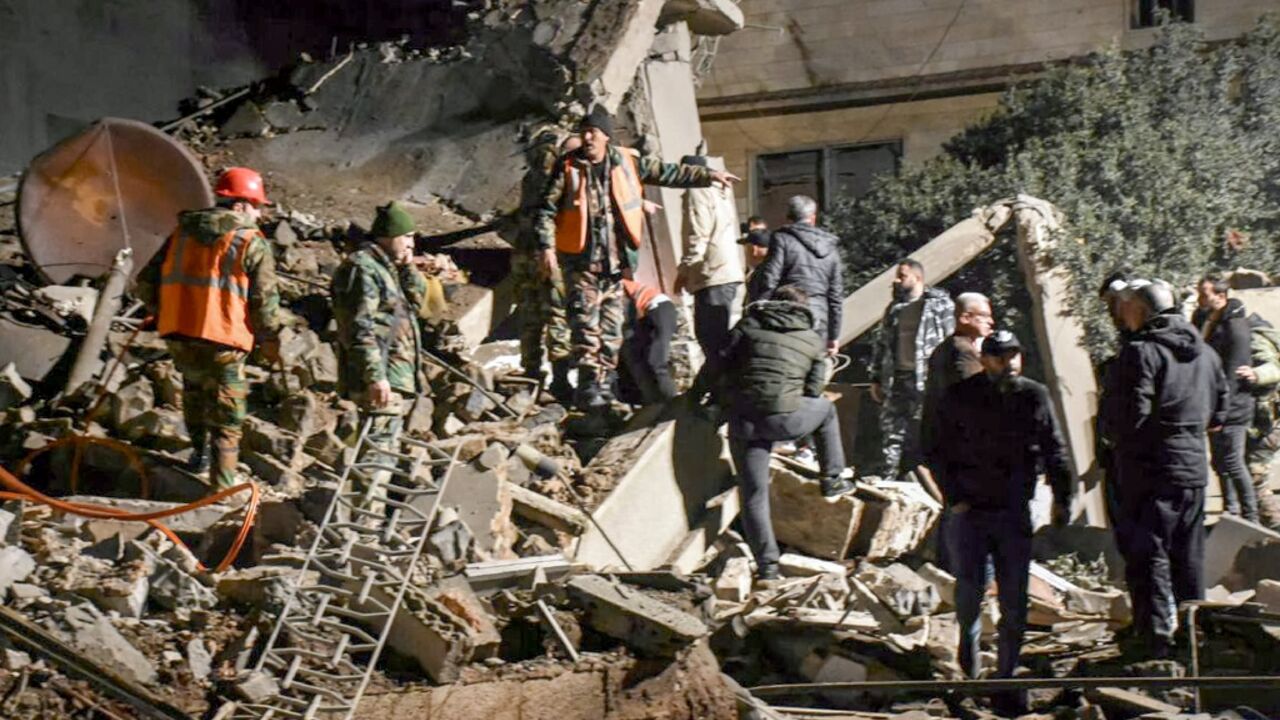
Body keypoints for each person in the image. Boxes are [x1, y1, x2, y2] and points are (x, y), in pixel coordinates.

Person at [535, 107, 738, 410]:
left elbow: (669, 172)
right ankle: (590, 387)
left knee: (613, 328)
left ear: (606, 136)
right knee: (585, 325)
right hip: (582, 263)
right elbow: (546, 210)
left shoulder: (627, 162)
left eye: (593, 131)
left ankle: (604, 386)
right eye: (584, 132)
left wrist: (709, 176)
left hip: (617, 267)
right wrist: (546, 246)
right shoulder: (567, 168)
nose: (588, 137)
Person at [925, 330, 1072, 714]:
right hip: (971, 510)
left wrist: (1063, 497)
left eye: (1014, 355)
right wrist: (953, 497)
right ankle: (969, 661)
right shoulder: (960, 397)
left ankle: (1006, 672)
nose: (1009, 363)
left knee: (1013, 598)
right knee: (970, 593)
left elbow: (1054, 447)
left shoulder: (1032, 395)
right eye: (1000, 356)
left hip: (1013, 510)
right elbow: (934, 447)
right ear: (985, 359)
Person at [692, 285, 854, 585]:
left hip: (744, 422)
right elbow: (813, 390)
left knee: (754, 494)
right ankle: (831, 478)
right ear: (803, 310)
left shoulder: (747, 326)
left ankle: (768, 567)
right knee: (826, 409)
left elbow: (715, 365)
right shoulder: (811, 339)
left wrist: (696, 398)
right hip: (785, 420)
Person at [135, 166, 281, 490]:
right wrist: (269, 340)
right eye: (256, 206)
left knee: (195, 392)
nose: (259, 214)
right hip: (224, 341)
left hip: (180, 334)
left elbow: (145, 281)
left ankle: (198, 458)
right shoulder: (249, 242)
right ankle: (222, 487)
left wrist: (163, 313)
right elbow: (264, 302)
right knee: (228, 414)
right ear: (240, 205)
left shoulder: (182, 233)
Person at [1113, 279, 1226, 659]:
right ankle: (1194, 641)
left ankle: (1156, 644)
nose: (1120, 313)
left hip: (1151, 471)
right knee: (1189, 556)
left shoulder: (1140, 352)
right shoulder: (1206, 353)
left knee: (1151, 556)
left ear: (1142, 311)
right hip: (1194, 467)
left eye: (1126, 307)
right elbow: (1220, 413)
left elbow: (1131, 417)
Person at [331, 202, 430, 515]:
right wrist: (376, 376)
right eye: (407, 237)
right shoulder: (363, 268)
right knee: (376, 454)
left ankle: (367, 523)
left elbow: (416, 301)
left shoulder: (387, 269)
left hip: (394, 374)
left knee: (384, 452)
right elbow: (360, 326)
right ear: (390, 236)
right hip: (382, 375)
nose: (412, 244)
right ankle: (364, 529)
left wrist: (408, 265)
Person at [919, 292, 994, 570]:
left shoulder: (946, 348)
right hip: (957, 446)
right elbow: (977, 400)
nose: (991, 322)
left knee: (955, 506)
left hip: (942, 443)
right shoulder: (962, 352)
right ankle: (963, 571)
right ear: (965, 318)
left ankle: (946, 567)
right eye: (985, 316)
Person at [871, 259, 954, 478]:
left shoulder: (939, 306)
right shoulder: (894, 309)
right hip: (897, 378)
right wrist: (876, 378)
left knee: (925, 429)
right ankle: (889, 475)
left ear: (917, 278)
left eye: (902, 276)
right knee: (891, 431)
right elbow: (882, 344)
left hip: (926, 379)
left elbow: (950, 340)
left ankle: (921, 477)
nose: (897, 280)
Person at [513, 130, 577, 403]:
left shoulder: (530, 178)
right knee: (556, 314)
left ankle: (531, 377)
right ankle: (560, 381)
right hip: (548, 254)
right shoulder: (557, 176)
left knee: (530, 316)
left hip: (522, 254)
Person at [1192, 273, 1257, 521]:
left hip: (1233, 408)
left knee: (1233, 463)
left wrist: (1221, 412)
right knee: (1220, 464)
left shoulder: (1235, 328)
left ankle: (1250, 517)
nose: (1199, 299)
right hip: (1214, 405)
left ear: (1221, 296)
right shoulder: (1204, 319)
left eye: (1204, 294)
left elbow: (1233, 375)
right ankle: (1232, 512)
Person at [748, 196, 843, 354]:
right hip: (819, 318)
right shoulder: (830, 248)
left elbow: (770, 279)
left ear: (789, 217)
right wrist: (834, 336)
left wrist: (760, 310)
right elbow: (835, 296)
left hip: (787, 314)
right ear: (813, 218)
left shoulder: (782, 239)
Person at [675, 155, 745, 365]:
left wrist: (684, 272)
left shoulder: (698, 191)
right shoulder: (719, 193)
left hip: (711, 273)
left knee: (710, 340)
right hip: (726, 272)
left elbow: (698, 235)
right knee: (718, 338)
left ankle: (723, 392)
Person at [1239, 313, 1280, 528]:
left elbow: (1272, 369)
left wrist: (1255, 374)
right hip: (1265, 424)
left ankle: (1274, 527)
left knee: (1255, 479)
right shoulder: (1263, 334)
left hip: (1265, 426)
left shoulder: (1255, 338)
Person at [615, 278, 677, 406]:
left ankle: (670, 402)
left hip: (658, 308)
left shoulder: (615, 287)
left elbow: (623, 316)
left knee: (656, 361)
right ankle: (653, 402)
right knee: (635, 359)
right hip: (643, 317)